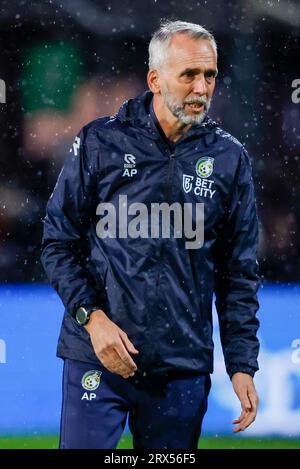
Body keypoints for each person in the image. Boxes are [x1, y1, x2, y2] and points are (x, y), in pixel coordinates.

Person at [41, 20, 260, 449]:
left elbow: (239, 273)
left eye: (210, 75)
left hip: (181, 367)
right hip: (97, 357)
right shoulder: (100, 143)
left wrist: (242, 364)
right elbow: (57, 242)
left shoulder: (230, 160)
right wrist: (93, 319)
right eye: (189, 75)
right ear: (155, 80)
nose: (202, 88)